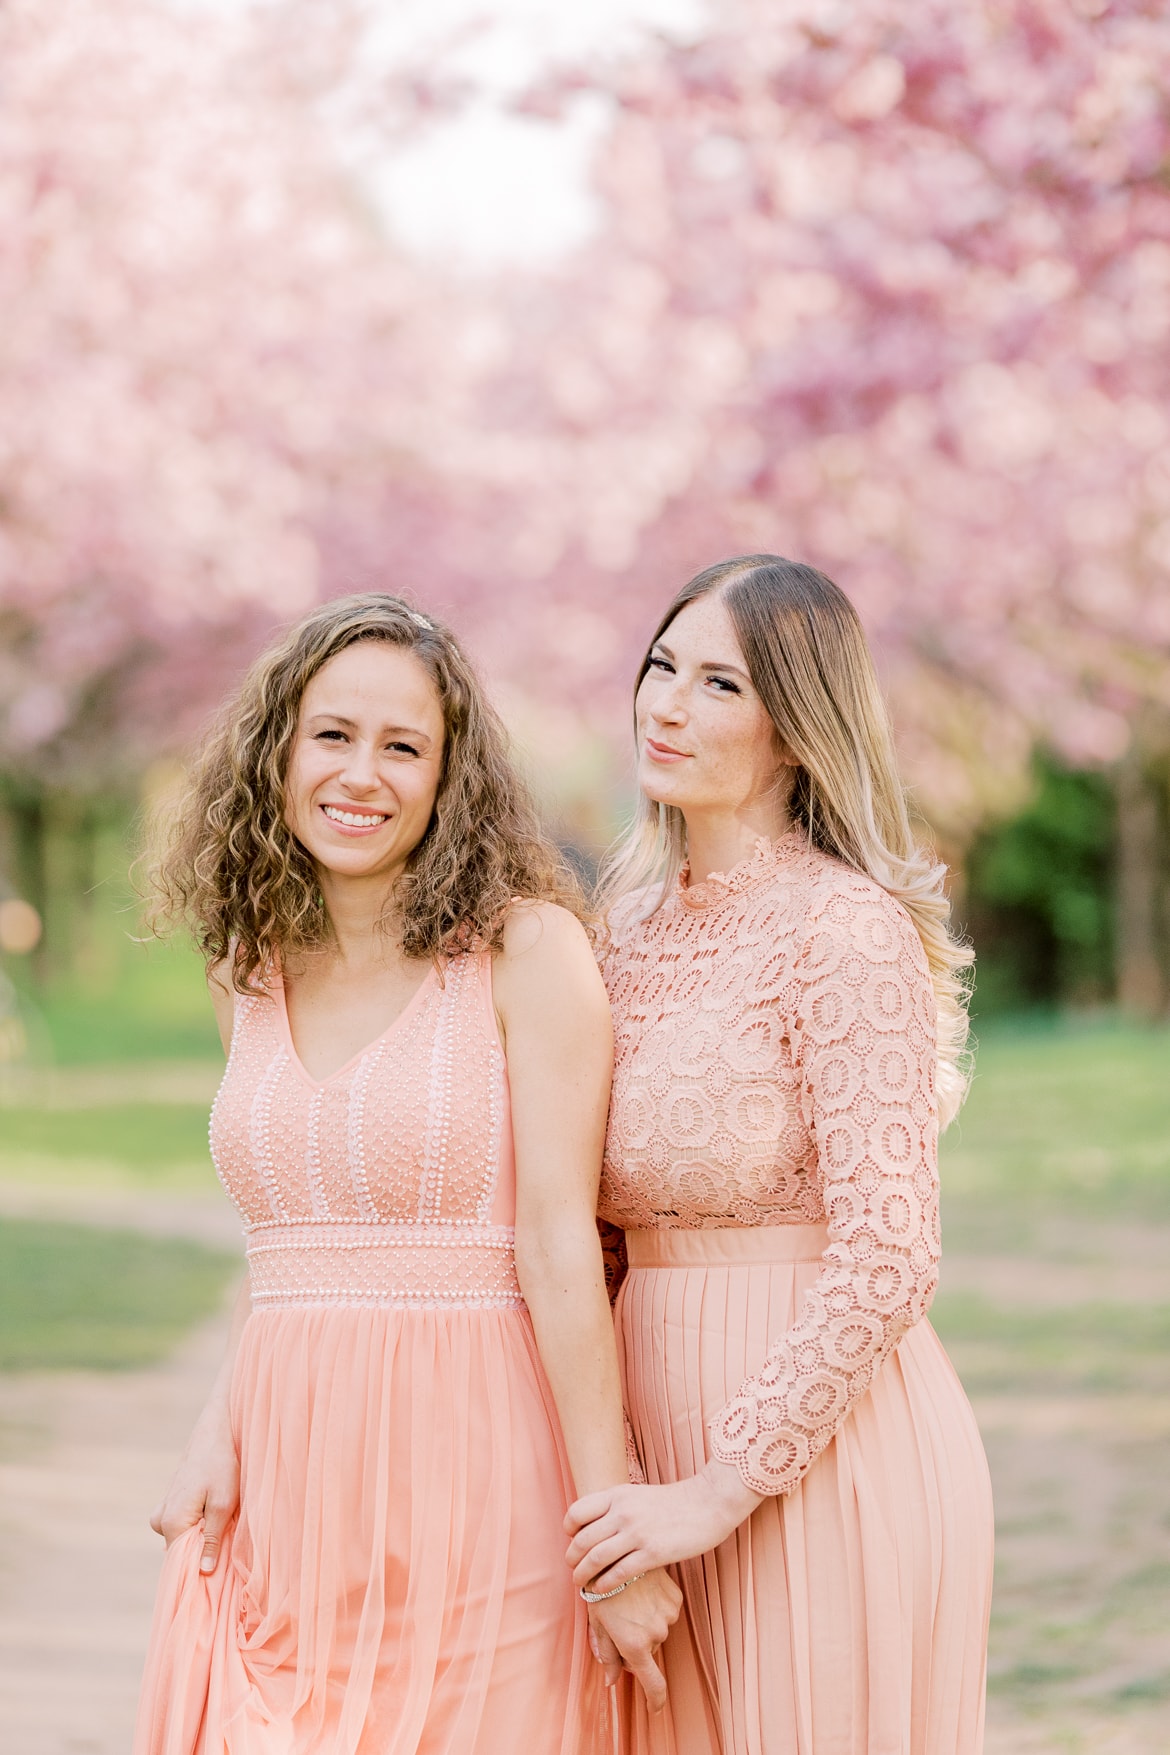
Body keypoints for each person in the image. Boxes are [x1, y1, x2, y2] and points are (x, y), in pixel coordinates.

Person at [134, 594, 679, 1755]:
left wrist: (609, 1535)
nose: (361, 774)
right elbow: (279, 1245)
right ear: (277, 750)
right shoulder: (247, 967)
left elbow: (559, 1248)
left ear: (448, 778)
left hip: (482, 1466)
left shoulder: (529, 951)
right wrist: (215, 1431)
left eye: (403, 747)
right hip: (290, 1476)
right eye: (332, 735)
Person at [566, 557, 994, 1755]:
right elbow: (582, 1230)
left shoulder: (843, 929)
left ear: (796, 729)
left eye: (716, 684)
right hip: (648, 1451)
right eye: (660, 667)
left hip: (822, 1462)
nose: (664, 705)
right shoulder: (620, 935)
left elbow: (891, 1255)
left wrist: (720, 1488)